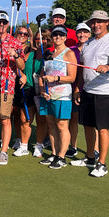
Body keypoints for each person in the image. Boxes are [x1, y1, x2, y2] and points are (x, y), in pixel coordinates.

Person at [71, 10, 109, 177]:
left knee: (102, 128)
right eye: (93, 22)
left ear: (107, 22)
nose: (95, 25)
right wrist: (78, 88)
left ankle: (102, 164)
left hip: (105, 91)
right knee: (87, 125)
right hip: (88, 89)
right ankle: (90, 157)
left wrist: (108, 67)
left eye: (99, 21)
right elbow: (83, 69)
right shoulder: (89, 42)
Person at [0, 11, 25, 165]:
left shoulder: (15, 42)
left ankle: (4, 151)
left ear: (8, 24)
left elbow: (21, 65)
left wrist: (15, 55)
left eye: (4, 23)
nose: (1, 25)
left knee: (5, 119)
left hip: (6, 86)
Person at [38, 26, 77, 170]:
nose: (58, 37)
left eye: (61, 35)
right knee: (51, 125)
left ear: (66, 37)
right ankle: (54, 154)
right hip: (48, 96)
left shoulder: (69, 54)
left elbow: (72, 77)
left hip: (62, 95)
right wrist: (42, 90)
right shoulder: (49, 54)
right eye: (55, 35)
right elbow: (42, 75)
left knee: (61, 125)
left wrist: (55, 78)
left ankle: (62, 156)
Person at [66, 22, 93, 158]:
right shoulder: (71, 50)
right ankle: (73, 146)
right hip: (73, 87)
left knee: (90, 121)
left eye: (85, 32)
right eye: (79, 32)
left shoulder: (94, 48)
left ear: (89, 34)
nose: (82, 35)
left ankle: (95, 149)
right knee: (74, 118)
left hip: (90, 88)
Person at [10, 26, 38, 157]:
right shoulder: (11, 47)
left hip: (26, 85)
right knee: (14, 113)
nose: (22, 35)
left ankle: (25, 144)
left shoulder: (31, 50)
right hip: (11, 83)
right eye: (19, 33)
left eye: (25, 34)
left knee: (24, 116)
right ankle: (18, 138)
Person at [32, 29, 51, 157]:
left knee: (45, 119)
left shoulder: (50, 53)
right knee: (39, 119)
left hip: (45, 90)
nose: (40, 41)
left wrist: (42, 88)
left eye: (43, 39)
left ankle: (46, 142)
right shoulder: (33, 53)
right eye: (37, 39)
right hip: (33, 89)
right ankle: (40, 143)